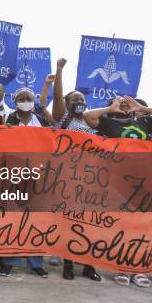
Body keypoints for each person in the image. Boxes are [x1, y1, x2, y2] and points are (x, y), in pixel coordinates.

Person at [83, 95, 152, 288]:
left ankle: (138, 269)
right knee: (123, 226)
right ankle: (122, 267)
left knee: (142, 226)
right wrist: (110, 108)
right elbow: (88, 117)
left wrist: (143, 109)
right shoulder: (108, 122)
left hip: (145, 181)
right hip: (118, 181)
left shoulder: (145, 122)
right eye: (119, 102)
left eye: (126, 103)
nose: (123, 104)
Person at [51, 58, 101, 281]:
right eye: (74, 99)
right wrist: (59, 71)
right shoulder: (63, 118)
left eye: (81, 99)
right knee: (69, 221)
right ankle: (68, 263)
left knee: (91, 223)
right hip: (68, 178)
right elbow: (57, 96)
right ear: (67, 103)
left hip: (92, 180)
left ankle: (90, 265)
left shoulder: (93, 122)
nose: (79, 101)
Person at [0, 88, 50, 278]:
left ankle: (35, 263)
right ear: (15, 102)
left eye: (29, 98)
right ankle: (9, 261)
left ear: (34, 101)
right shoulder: (7, 120)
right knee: (13, 218)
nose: (26, 101)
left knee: (36, 220)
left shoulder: (42, 120)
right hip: (13, 174)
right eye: (22, 98)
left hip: (39, 174)